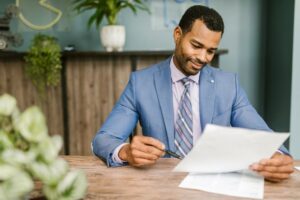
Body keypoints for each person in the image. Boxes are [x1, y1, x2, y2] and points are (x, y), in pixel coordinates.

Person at [92, 5, 294, 182]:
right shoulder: (141, 83)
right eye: (196, 46)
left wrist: (277, 156)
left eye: (211, 51)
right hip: (159, 183)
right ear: (178, 34)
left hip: (215, 183)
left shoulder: (228, 85)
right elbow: (103, 139)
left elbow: (264, 136)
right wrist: (126, 151)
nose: (203, 58)